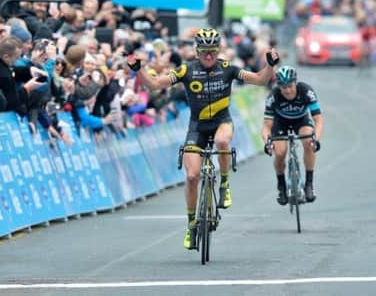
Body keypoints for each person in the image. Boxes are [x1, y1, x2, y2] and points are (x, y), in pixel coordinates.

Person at [127, 28, 280, 250]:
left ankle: (224, 184)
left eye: (212, 51)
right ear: (197, 51)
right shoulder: (186, 70)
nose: (209, 56)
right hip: (197, 127)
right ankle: (191, 225)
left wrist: (270, 65)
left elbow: (258, 79)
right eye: (204, 51)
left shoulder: (227, 68)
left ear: (218, 50)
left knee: (222, 142)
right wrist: (139, 71)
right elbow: (155, 84)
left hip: (222, 122)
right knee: (191, 176)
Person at [261, 66, 323, 205]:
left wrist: (316, 139)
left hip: (301, 120)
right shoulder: (273, 96)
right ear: (279, 86)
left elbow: (318, 119)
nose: (287, 90)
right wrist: (267, 142)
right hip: (280, 122)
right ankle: (281, 185)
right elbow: (266, 126)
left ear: (295, 83)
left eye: (290, 86)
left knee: (309, 142)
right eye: (283, 87)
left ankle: (309, 184)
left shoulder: (306, 91)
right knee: (281, 152)